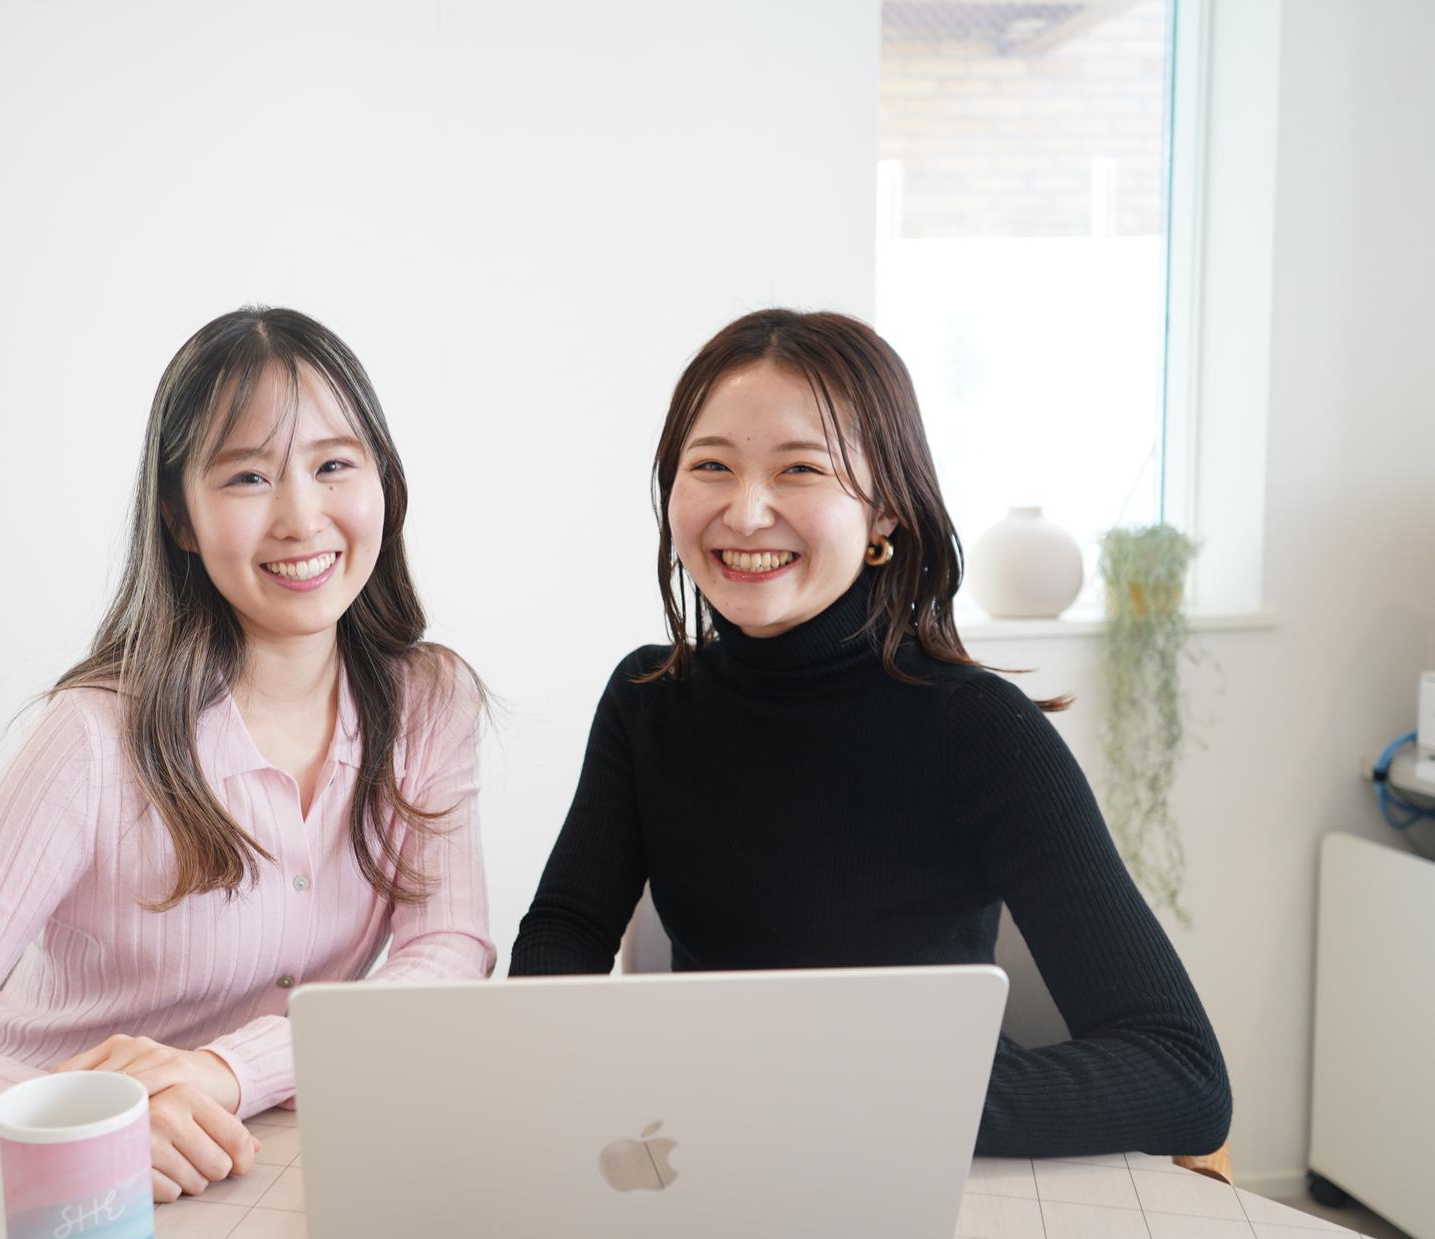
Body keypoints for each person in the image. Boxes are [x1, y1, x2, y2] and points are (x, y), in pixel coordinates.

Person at [508, 308, 1230, 1158]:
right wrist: (569, 1072)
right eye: (711, 466)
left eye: (800, 469)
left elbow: (1181, 1073)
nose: (746, 513)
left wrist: (852, 1106)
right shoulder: (649, 700)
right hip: (711, 1154)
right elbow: (564, 931)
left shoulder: (978, 728)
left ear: (884, 510)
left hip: (917, 1160)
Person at [0, 307, 493, 1199]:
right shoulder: (93, 737)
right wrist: (77, 1127)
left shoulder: (429, 702)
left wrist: (229, 1071)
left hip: (258, 1165)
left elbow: (447, 955)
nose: (301, 518)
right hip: (57, 1199)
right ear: (180, 518)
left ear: (384, 482)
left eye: (334, 465)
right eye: (248, 476)